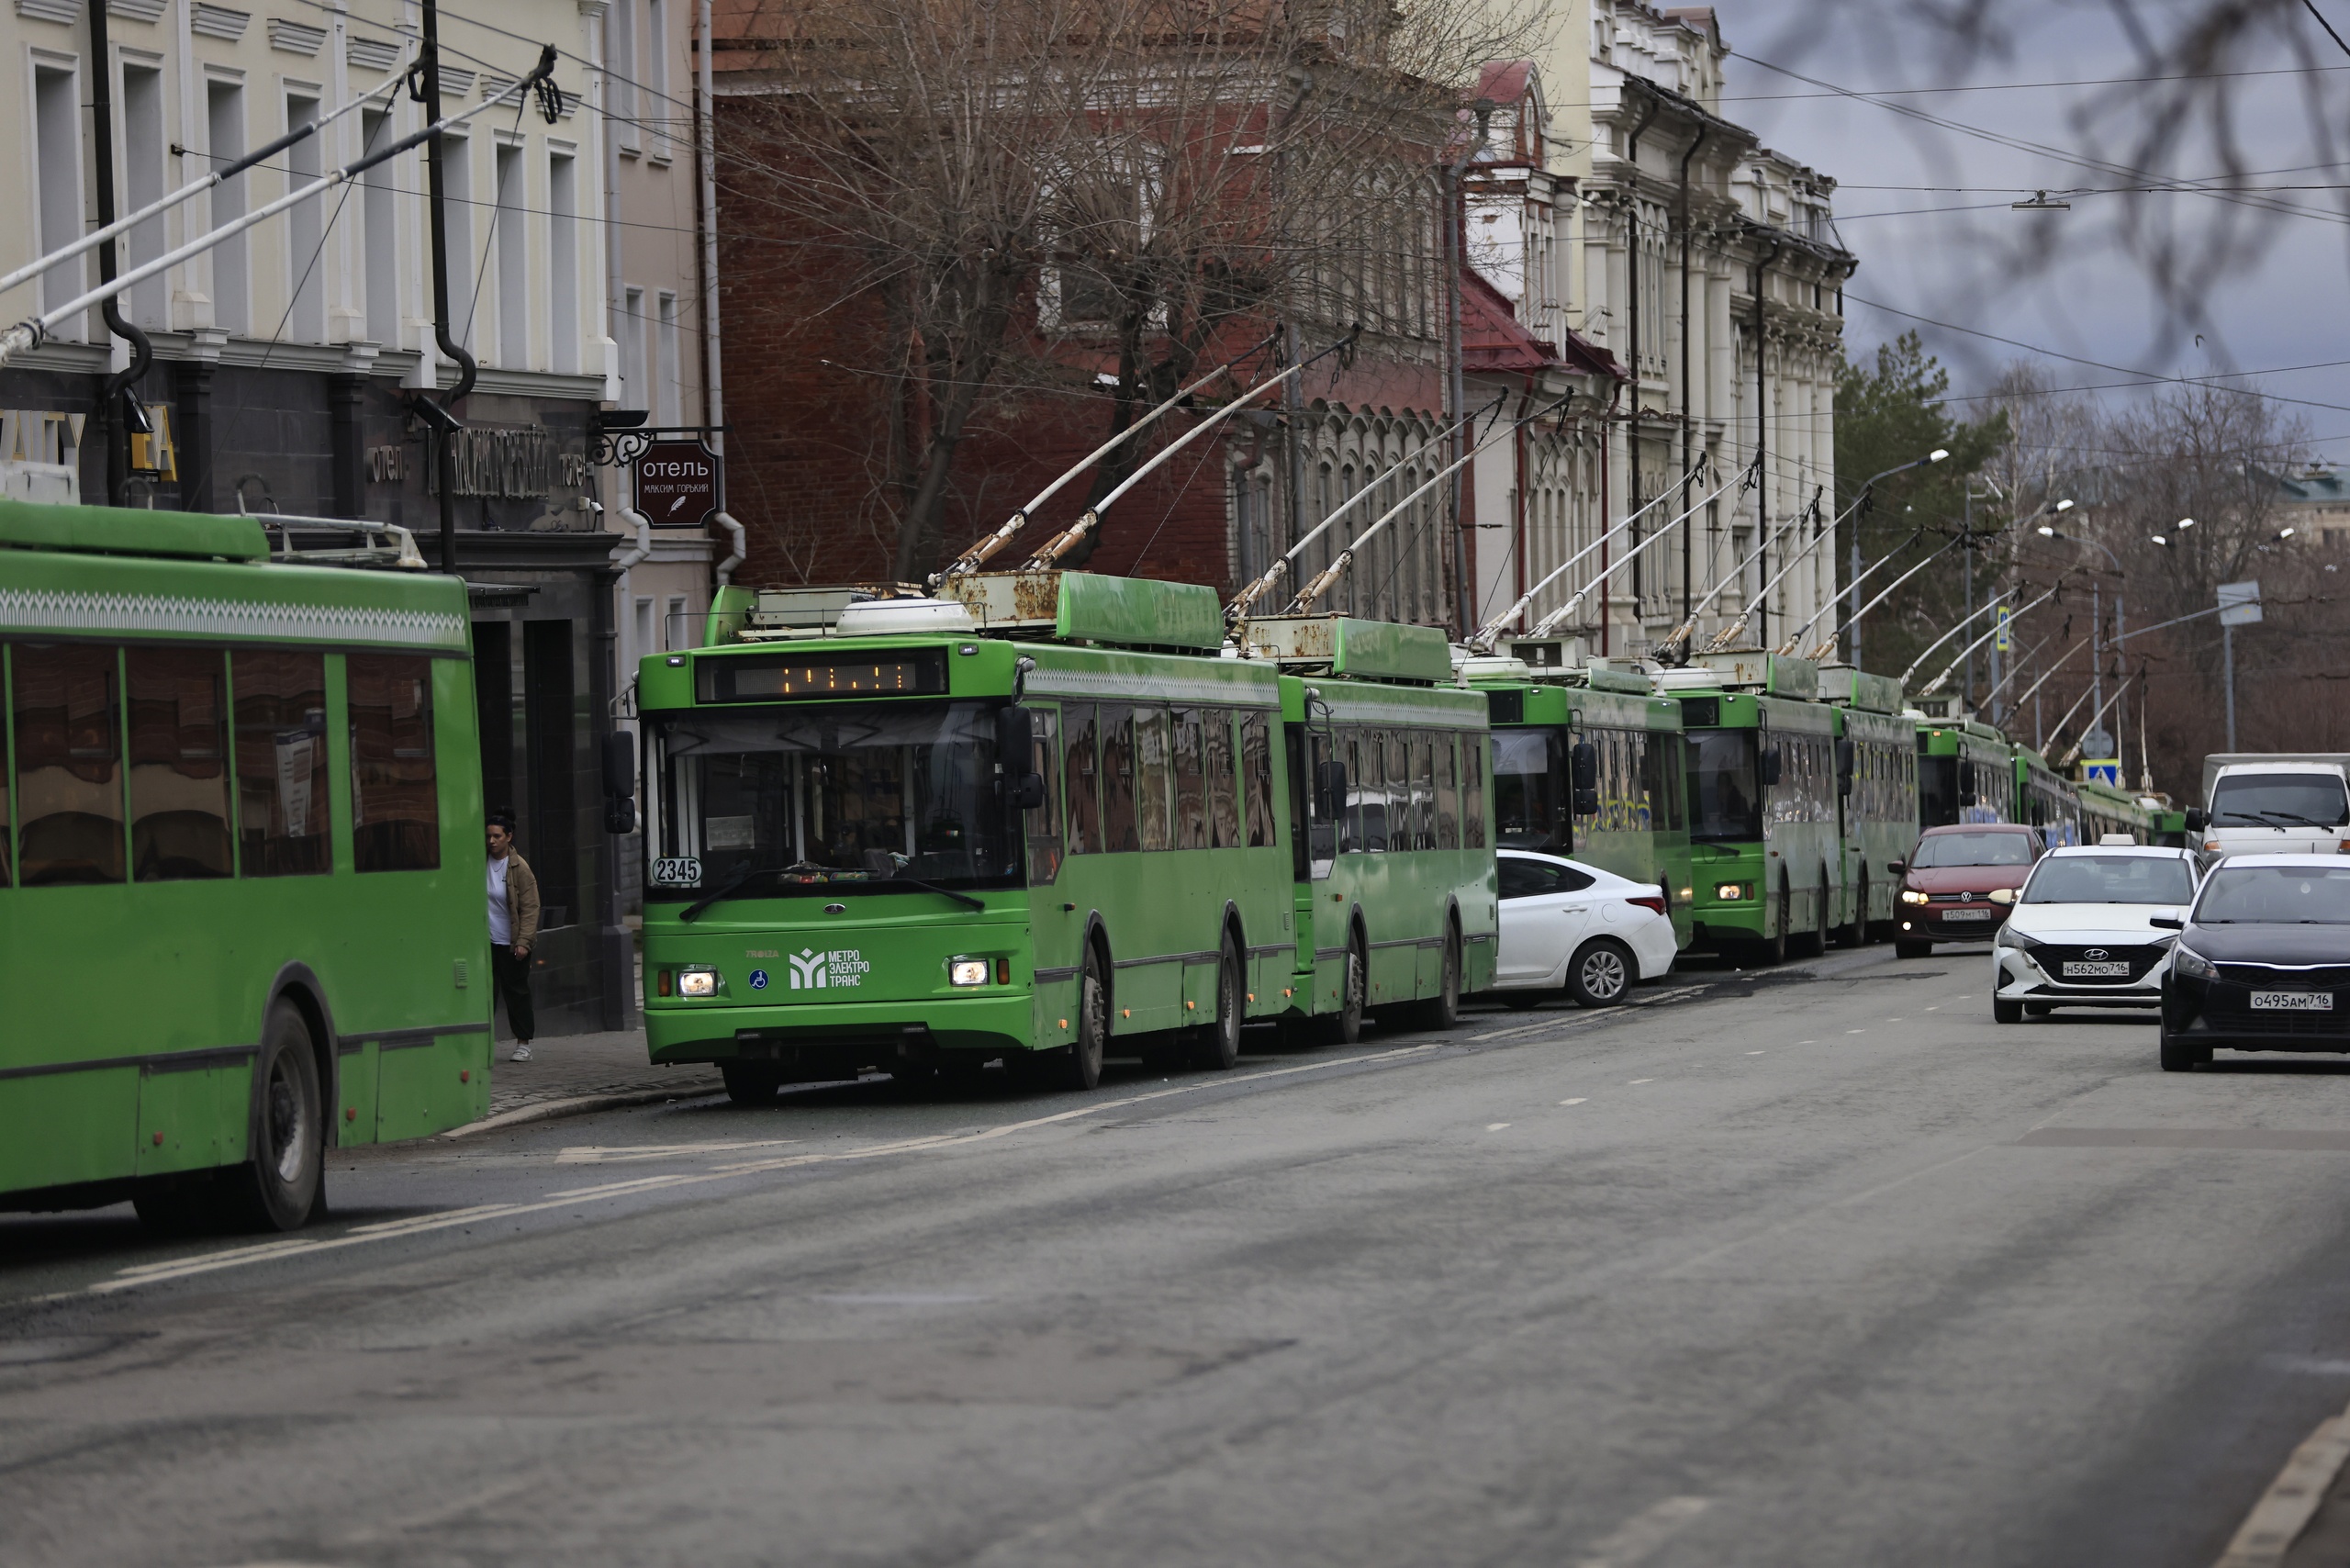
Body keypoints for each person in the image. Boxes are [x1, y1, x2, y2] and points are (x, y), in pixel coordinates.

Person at [487, 812, 541, 1062]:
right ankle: (483, 1044)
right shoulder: (479, 862)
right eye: (488, 836)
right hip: (486, 943)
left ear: (509, 837)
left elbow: (530, 907)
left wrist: (524, 942)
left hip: (510, 943)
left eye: (497, 836)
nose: (491, 841)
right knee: (485, 995)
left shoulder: (519, 868)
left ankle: (523, 1043)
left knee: (517, 993)